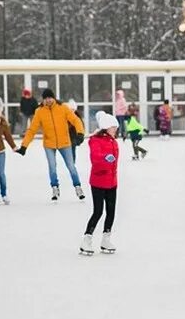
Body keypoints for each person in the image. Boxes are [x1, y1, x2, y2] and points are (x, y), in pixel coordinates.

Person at [16, 89, 86, 201]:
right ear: (43, 99)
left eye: (50, 97)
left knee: (71, 166)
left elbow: (75, 120)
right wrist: (24, 146)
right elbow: (32, 130)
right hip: (49, 143)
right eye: (46, 98)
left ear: (53, 98)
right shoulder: (39, 111)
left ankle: (78, 187)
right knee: (52, 167)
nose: (48, 100)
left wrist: (80, 133)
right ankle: (55, 188)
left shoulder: (62, 107)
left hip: (65, 142)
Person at [79, 112, 120, 256]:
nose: (115, 130)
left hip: (112, 182)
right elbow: (95, 159)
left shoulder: (113, 141)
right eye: (113, 127)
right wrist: (104, 159)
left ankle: (106, 239)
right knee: (98, 211)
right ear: (106, 127)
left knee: (111, 212)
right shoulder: (95, 140)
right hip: (98, 181)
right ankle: (87, 239)